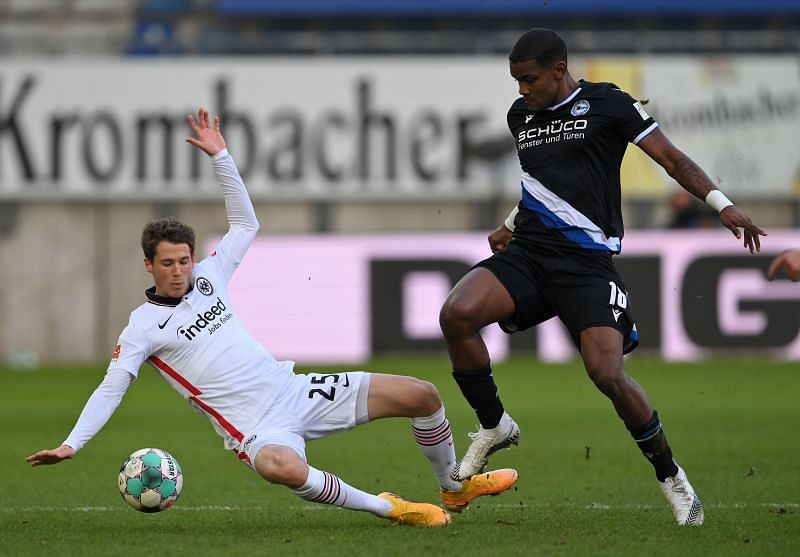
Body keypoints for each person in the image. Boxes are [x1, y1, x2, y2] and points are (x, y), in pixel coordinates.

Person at [27, 108, 518, 527]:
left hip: (295, 391)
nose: (179, 271)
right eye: (167, 264)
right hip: (257, 429)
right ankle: (392, 509)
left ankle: (452, 486)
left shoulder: (209, 277)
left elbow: (246, 222)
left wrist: (222, 157)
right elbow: (113, 386)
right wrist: (73, 443)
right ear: (148, 265)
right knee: (278, 467)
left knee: (422, 394)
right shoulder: (142, 327)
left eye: (184, 260)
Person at [439, 29, 767, 526]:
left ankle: (672, 478)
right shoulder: (519, 115)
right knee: (457, 313)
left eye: (528, 79)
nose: (521, 90)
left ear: (558, 70)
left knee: (607, 375)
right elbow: (542, 182)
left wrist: (722, 206)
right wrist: (509, 226)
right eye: (514, 81)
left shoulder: (608, 103)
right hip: (530, 252)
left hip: (585, 264)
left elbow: (672, 159)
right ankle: (494, 425)